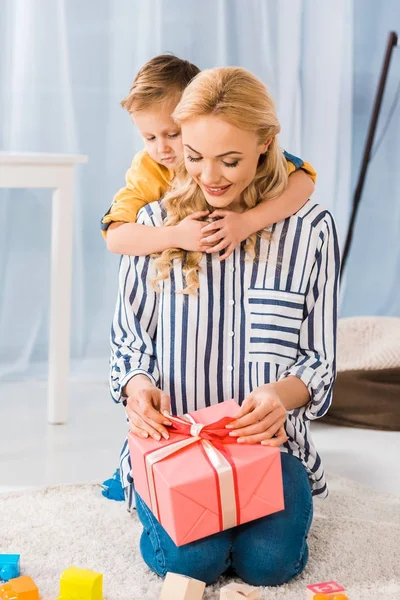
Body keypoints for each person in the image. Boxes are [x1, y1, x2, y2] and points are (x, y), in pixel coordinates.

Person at [110, 66, 340, 587]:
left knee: (267, 566)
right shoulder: (153, 226)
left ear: (265, 144)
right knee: (194, 563)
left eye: (230, 159)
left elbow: (319, 361)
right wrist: (138, 388)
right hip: (175, 451)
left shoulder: (310, 230)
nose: (209, 175)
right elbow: (128, 343)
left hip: (268, 451)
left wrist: (282, 396)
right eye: (194, 156)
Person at [101, 54, 316, 258]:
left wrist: (248, 222)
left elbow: (303, 181)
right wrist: (175, 236)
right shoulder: (149, 168)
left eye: (173, 134)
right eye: (149, 138)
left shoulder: (242, 144)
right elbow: (115, 236)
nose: (162, 148)